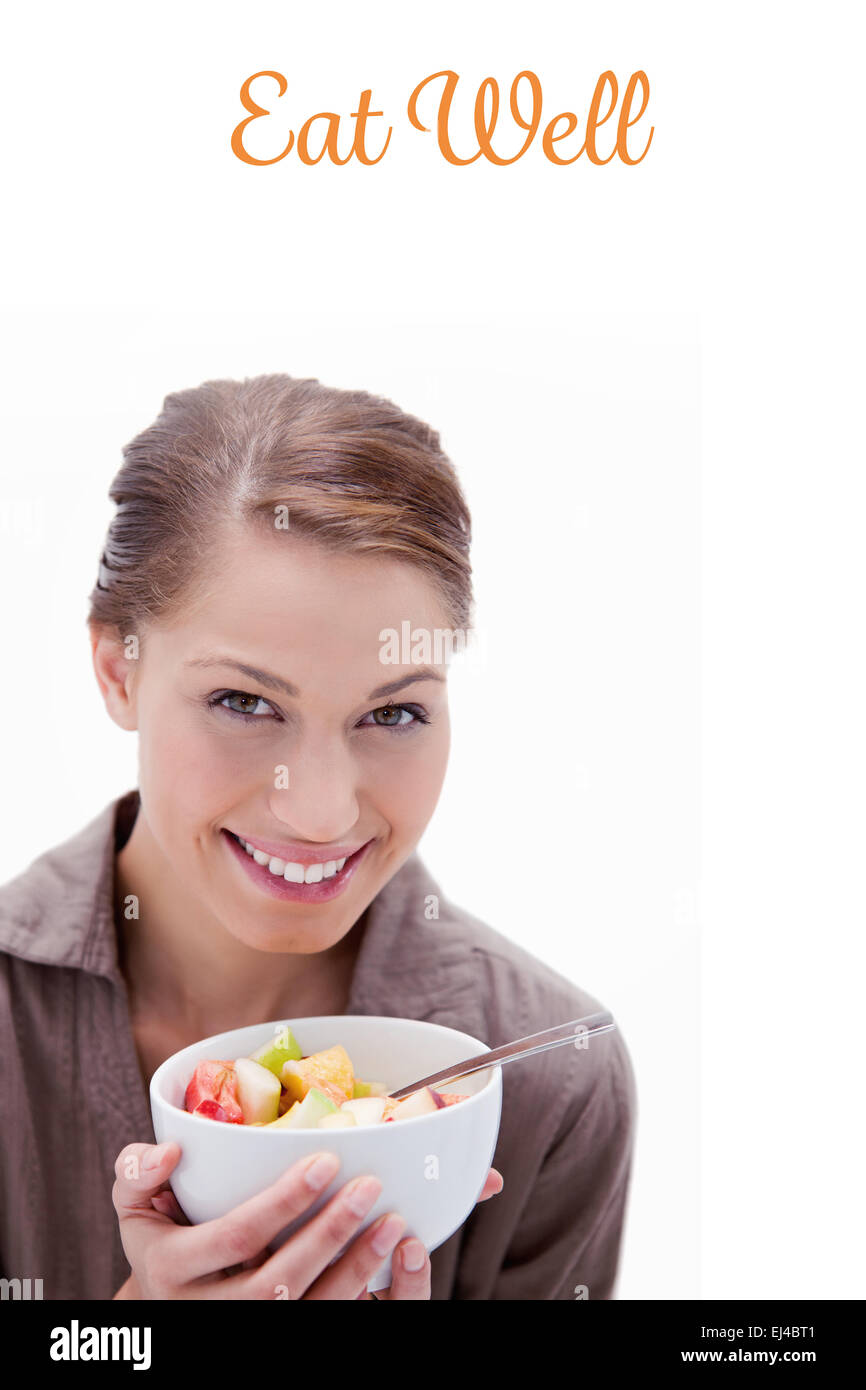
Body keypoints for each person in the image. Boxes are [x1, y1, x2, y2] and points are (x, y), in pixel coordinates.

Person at [0, 374, 637, 1300]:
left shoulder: (549, 1085)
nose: (322, 813)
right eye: (244, 702)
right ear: (117, 670)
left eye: (394, 714)